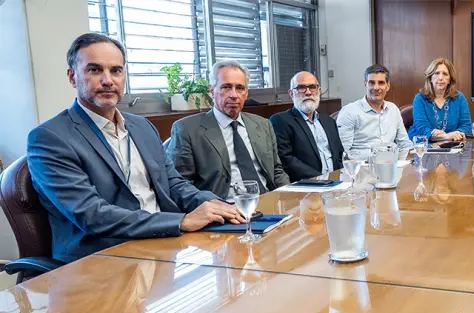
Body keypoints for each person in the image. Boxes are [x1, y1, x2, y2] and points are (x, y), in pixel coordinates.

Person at [27, 33, 244, 263]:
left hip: (165, 247)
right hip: (102, 259)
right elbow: (92, 214)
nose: (108, 80)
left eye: (116, 71)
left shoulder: (141, 126)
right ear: (73, 77)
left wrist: (213, 204)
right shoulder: (49, 138)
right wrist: (179, 222)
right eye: (94, 70)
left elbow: (172, 183)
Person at [166, 60, 290, 200]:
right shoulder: (187, 129)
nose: (234, 95)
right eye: (226, 87)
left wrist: (290, 199)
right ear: (212, 91)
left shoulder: (263, 125)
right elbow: (180, 185)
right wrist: (212, 207)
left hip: (267, 203)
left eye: (240, 88)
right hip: (223, 209)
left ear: (246, 93)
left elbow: (277, 171)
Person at [270, 72, 344, 182]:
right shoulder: (280, 121)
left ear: (319, 91)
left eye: (312, 87)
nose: (308, 92)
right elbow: (286, 160)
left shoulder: (329, 122)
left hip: (335, 183)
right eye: (301, 88)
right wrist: (321, 179)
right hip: (306, 187)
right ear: (291, 93)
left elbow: (339, 155)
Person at [337, 64, 414, 160]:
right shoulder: (349, 112)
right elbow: (342, 153)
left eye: (381, 83)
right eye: (371, 83)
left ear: (388, 86)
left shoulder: (393, 109)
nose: (376, 87)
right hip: (363, 168)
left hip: (393, 166)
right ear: (365, 84)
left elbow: (404, 144)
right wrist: (377, 158)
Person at [408, 58, 472, 142]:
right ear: (430, 77)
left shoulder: (459, 98)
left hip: (452, 146)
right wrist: (446, 136)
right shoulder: (420, 99)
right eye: (436, 73)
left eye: (445, 74)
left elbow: (466, 125)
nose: (441, 78)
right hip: (423, 147)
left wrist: (457, 133)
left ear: (450, 79)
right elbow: (422, 129)